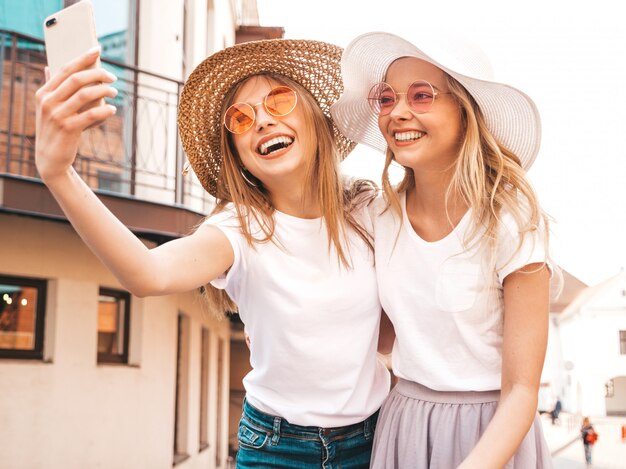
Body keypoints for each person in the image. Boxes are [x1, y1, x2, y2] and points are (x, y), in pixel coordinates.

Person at [35, 39, 390, 468]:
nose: (260, 120)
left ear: (315, 115)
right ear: (238, 156)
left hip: (376, 436)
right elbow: (147, 274)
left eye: (278, 100)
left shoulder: (369, 211)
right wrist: (58, 174)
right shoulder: (239, 229)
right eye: (240, 118)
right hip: (278, 448)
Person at [332, 32, 560, 468]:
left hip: (494, 435)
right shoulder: (377, 218)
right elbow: (378, 335)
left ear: (465, 110)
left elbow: (521, 391)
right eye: (386, 98)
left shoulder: (512, 222)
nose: (398, 112)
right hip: (405, 428)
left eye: (421, 96)